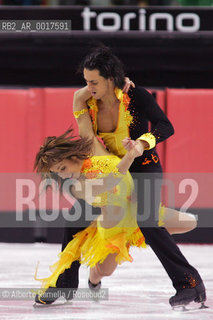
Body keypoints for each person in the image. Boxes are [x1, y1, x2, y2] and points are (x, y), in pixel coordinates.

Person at [36, 46, 206, 308]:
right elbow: (84, 119)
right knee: (75, 220)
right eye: (86, 81)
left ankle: (189, 283)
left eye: (94, 81)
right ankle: (65, 284)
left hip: (143, 166)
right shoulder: (87, 101)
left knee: (148, 221)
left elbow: (166, 126)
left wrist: (142, 143)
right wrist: (89, 91)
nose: (88, 86)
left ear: (110, 78)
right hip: (108, 170)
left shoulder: (136, 96)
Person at [34, 129, 147, 302]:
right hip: (99, 199)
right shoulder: (76, 183)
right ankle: (65, 282)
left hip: (125, 204)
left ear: (72, 156)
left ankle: (92, 279)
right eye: (58, 172)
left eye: (62, 168)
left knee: (105, 270)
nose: (62, 174)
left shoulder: (95, 146)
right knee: (73, 222)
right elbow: (104, 184)